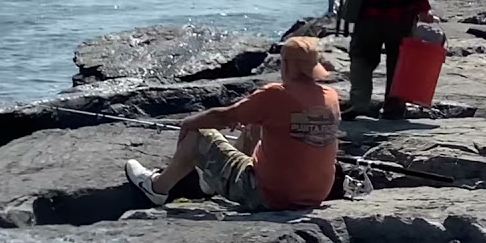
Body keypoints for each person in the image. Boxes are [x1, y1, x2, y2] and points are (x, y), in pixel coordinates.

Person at [124, 36, 340, 212]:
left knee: (199, 132)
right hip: (313, 195)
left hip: (269, 196)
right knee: (256, 125)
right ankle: (211, 183)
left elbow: (223, 117)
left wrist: (188, 122)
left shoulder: (276, 95)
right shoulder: (330, 97)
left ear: (287, 65)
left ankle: (157, 188)